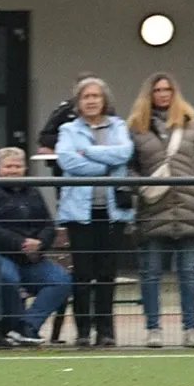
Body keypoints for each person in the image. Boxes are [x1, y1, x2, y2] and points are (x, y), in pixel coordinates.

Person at [127, 73, 194, 348]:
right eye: (157, 90)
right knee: (151, 273)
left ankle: (191, 329)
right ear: (150, 94)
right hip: (153, 208)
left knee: (189, 274)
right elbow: (128, 167)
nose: (163, 94)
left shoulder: (192, 123)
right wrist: (141, 188)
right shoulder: (137, 127)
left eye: (167, 89)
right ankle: (153, 329)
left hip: (188, 207)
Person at [0, 146, 71, 347]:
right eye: (8, 167)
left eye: (17, 166)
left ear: (25, 168)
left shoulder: (33, 191)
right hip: (0, 254)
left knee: (61, 280)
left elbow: (48, 224)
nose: (13, 171)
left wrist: (40, 243)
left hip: (32, 257)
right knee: (8, 278)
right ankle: (11, 327)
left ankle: (27, 327)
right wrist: (21, 244)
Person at [56, 78, 132, 347]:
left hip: (112, 213)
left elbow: (124, 153)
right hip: (80, 214)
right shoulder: (68, 129)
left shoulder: (119, 126)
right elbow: (67, 160)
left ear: (104, 100)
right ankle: (83, 331)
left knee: (106, 273)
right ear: (78, 102)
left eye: (95, 96)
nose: (91, 101)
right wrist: (105, 167)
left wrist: (87, 151)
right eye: (86, 96)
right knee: (83, 273)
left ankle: (106, 331)